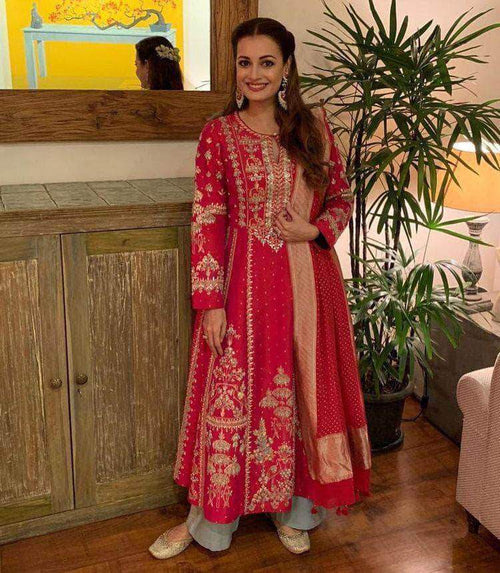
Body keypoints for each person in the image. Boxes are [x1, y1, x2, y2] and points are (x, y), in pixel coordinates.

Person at [149, 17, 372, 560]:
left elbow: (341, 198)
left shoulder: (315, 129)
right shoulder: (219, 135)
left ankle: (295, 511)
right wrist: (210, 304)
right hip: (243, 285)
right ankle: (209, 520)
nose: (255, 74)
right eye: (245, 63)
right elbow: (208, 219)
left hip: (308, 285)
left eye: (266, 62)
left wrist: (315, 231)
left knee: (301, 397)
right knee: (228, 397)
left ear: (286, 67)